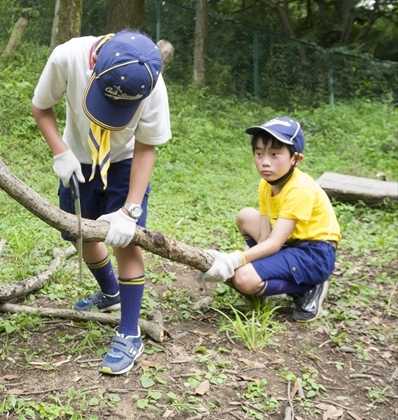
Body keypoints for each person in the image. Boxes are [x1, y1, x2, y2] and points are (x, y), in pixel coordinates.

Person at [31, 30, 171, 374]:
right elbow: (41, 105)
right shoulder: (68, 57)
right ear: (94, 67)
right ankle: (111, 292)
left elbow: (146, 146)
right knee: (79, 233)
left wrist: (131, 210)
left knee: (124, 240)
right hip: (77, 156)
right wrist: (60, 152)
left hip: (124, 162)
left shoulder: (152, 87)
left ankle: (129, 332)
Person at [197, 117, 341, 322]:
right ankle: (276, 275)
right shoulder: (267, 184)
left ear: (296, 159)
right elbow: (265, 238)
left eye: (275, 154)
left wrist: (233, 261)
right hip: (290, 244)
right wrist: (242, 261)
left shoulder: (300, 189)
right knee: (245, 216)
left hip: (315, 253)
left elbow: (273, 244)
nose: (265, 161)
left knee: (244, 279)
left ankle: (308, 287)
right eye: (259, 153)